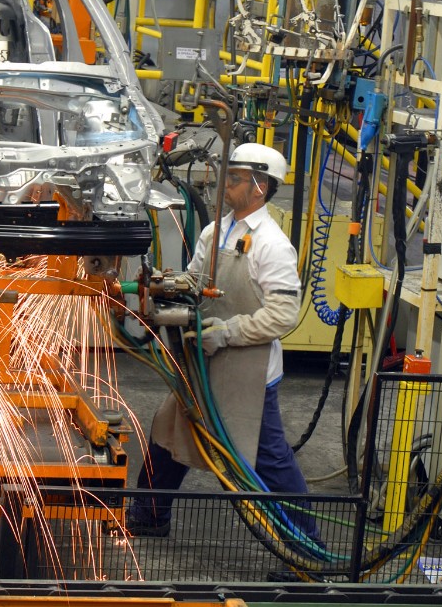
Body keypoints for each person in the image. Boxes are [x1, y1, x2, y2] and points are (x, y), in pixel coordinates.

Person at [126, 142, 322, 545]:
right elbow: (196, 283)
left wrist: (227, 333)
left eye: (234, 179)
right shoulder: (218, 230)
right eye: (227, 176)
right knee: (169, 431)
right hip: (205, 360)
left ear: (259, 188)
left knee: (267, 459)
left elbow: (282, 316)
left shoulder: (272, 245)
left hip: (248, 375)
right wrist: (169, 286)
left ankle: (308, 548)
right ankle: (149, 514)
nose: (224, 185)